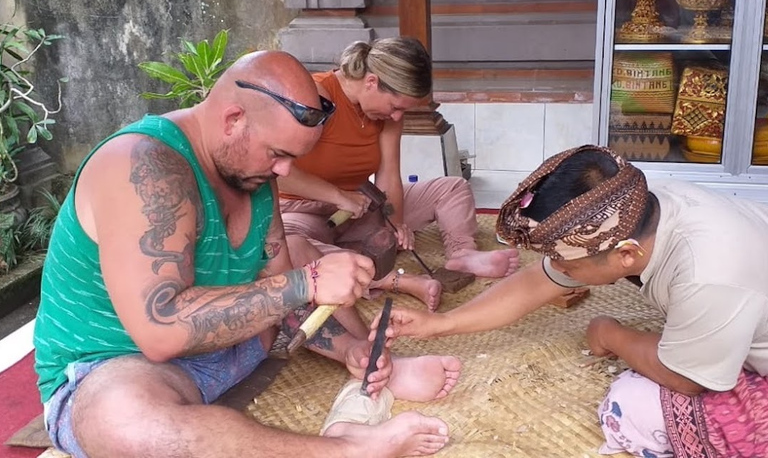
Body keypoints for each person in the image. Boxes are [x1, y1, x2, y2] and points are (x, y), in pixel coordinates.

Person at [32, 50, 463, 458]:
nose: (285, 171)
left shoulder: (253, 174)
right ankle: (348, 450)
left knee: (296, 254)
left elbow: (281, 298)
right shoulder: (143, 166)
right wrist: (308, 281)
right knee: (122, 422)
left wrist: (350, 348)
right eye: (278, 154)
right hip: (128, 366)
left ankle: (372, 370)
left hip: (232, 347)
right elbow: (159, 332)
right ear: (233, 119)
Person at [375, 144, 768, 458]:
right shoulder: (636, 206)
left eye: (564, 262)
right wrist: (441, 324)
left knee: (631, 407)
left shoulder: (708, 272)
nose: (555, 268)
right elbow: (534, 283)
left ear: (625, 256)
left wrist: (610, 334)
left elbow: (687, 378)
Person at [277, 37, 519, 312]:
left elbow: (389, 173)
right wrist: (338, 196)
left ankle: (462, 253)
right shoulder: (317, 97)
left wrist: (395, 223)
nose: (396, 117)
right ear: (371, 82)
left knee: (452, 188)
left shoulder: (387, 116)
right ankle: (391, 279)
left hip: (359, 206)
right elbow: (279, 172)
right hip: (303, 212)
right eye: (396, 107)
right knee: (289, 249)